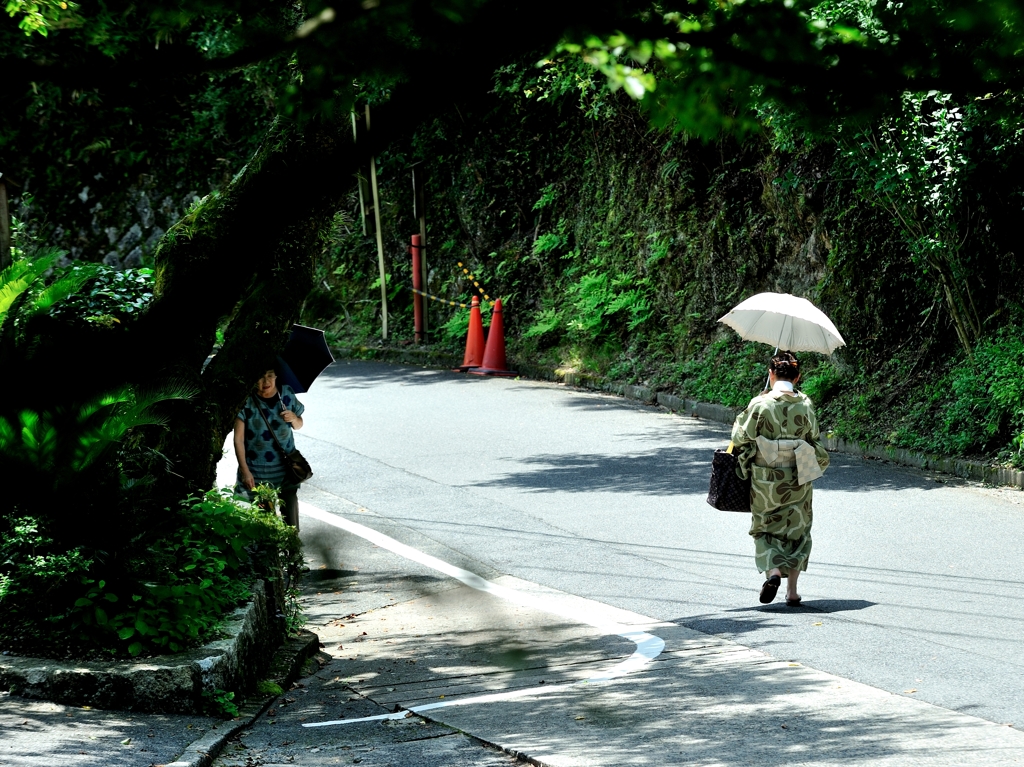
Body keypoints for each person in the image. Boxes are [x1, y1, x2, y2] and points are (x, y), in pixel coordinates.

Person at [730, 352, 830, 606]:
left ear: (770, 374)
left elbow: (741, 437)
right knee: (797, 529)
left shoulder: (761, 404)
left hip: (766, 479)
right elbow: (814, 437)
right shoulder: (805, 404)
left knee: (765, 526)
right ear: (797, 377)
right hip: (799, 473)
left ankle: (773, 573)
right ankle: (792, 592)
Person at [234, 367, 305, 529]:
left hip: (287, 469)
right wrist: (245, 471)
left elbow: (299, 425)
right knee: (266, 524)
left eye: (270, 376)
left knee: (291, 524)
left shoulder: (286, 394)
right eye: (261, 377)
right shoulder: (246, 400)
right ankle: (269, 554)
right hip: (257, 472)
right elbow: (238, 439)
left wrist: (294, 418)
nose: (266, 382)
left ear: (276, 377)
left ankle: (292, 554)